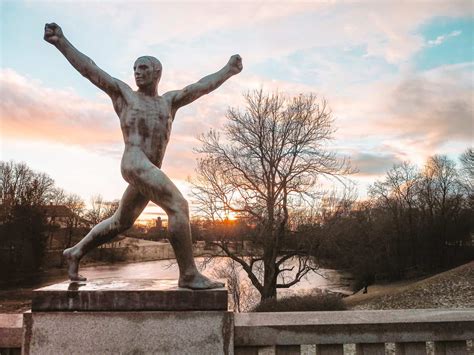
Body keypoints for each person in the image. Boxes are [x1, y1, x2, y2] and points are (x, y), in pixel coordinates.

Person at [44, 22, 243, 289]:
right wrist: (61, 42)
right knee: (178, 205)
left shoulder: (169, 102)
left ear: (157, 73)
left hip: (149, 168)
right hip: (134, 162)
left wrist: (228, 70)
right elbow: (90, 69)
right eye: (135, 69)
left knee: (121, 222)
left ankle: (76, 251)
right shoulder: (125, 95)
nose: (137, 73)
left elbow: (202, 86)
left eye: (143, 68)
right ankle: (188, 275)